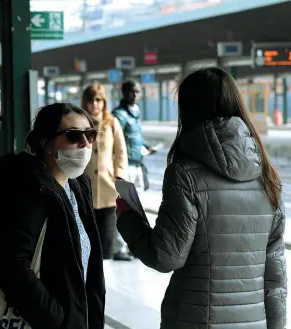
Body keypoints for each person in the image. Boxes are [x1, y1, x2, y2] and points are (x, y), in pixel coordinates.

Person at [116, 67, 287, 328]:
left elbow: (166, 257)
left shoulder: (183, 173)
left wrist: (128, 219)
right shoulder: (266, 174)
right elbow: (275, 277)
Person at [0, 103, 105, 329]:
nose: (85, 144)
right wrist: (56, 319)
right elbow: (11, 265)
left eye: (90, 134)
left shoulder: (77, 185)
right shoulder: (31, 189)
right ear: (45, 142)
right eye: (74, 136)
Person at [82, 83, 129, 261]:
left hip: (109, 189)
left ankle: (105, 279)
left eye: (98, 100)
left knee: (107, 242)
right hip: (86, 189)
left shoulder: (112, 123)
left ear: (104, 102)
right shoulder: (80, 123)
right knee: (87, 241)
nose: (94, 104)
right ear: (85, 102)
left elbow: (120, 152)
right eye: (91, 100)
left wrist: (120, 177)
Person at [112, 80, 156, 193]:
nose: (135, 95)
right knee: (126, 201)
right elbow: (114, 140)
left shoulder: (136, 112)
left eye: (138, 92)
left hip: (138, 163)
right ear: (124, 93)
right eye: (132, 92)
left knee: (138, 200)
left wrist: (147, 146)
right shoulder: (119, 114)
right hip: (125, 165)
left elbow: (136, 136)